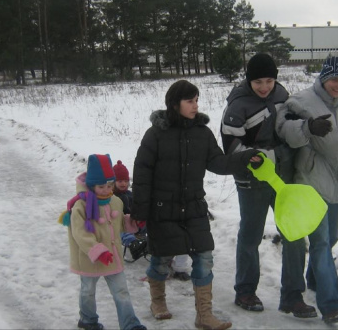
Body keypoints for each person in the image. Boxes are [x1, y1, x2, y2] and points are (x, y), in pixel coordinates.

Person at [131, 79, 260, 330]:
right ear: (174, 104)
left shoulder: (202, 133)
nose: (195, 105)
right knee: (160, 260)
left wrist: (245, 158)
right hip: (162, 209)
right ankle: (157, 302)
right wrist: (140, 210)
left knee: (204, 258)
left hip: (193, 208)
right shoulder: (156, 134)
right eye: (190, 101)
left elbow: (218, 163)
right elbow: (142, 172)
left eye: (196, 100)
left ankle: (204, 315)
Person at [220, 53, 317, 317]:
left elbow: (291, 128)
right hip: (252, 180)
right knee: (251, 235)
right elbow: (231, 147)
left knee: (294, 233)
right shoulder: (237, 107)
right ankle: (245, 290)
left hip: (284, 178)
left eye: (270, 81)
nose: (265, 87)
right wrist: (260, 157)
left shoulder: (282, 96)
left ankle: (293, 296)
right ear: (249, 80)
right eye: (259, 82)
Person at [275, 56, 338, 323]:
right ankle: (331, 305)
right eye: (334, 79)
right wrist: (307, 127)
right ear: (323, 78)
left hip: (337, 180)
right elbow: (284, 131)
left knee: (331, 237)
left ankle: (314, 279)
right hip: (309, 180)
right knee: (322, 243)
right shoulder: (301, 101)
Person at [60, 154, 146, 330]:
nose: (106, 190)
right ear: (92, 185)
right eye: (101, 186)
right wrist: (98, 251)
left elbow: (120, 223)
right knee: (88, 291)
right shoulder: (81, 206)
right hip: (89, 259)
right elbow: (80, 233)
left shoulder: (115, 201)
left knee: (121, 292)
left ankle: (130, 324)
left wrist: (134, 222)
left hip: (112, 257)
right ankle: (88, 320)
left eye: (109, 185)